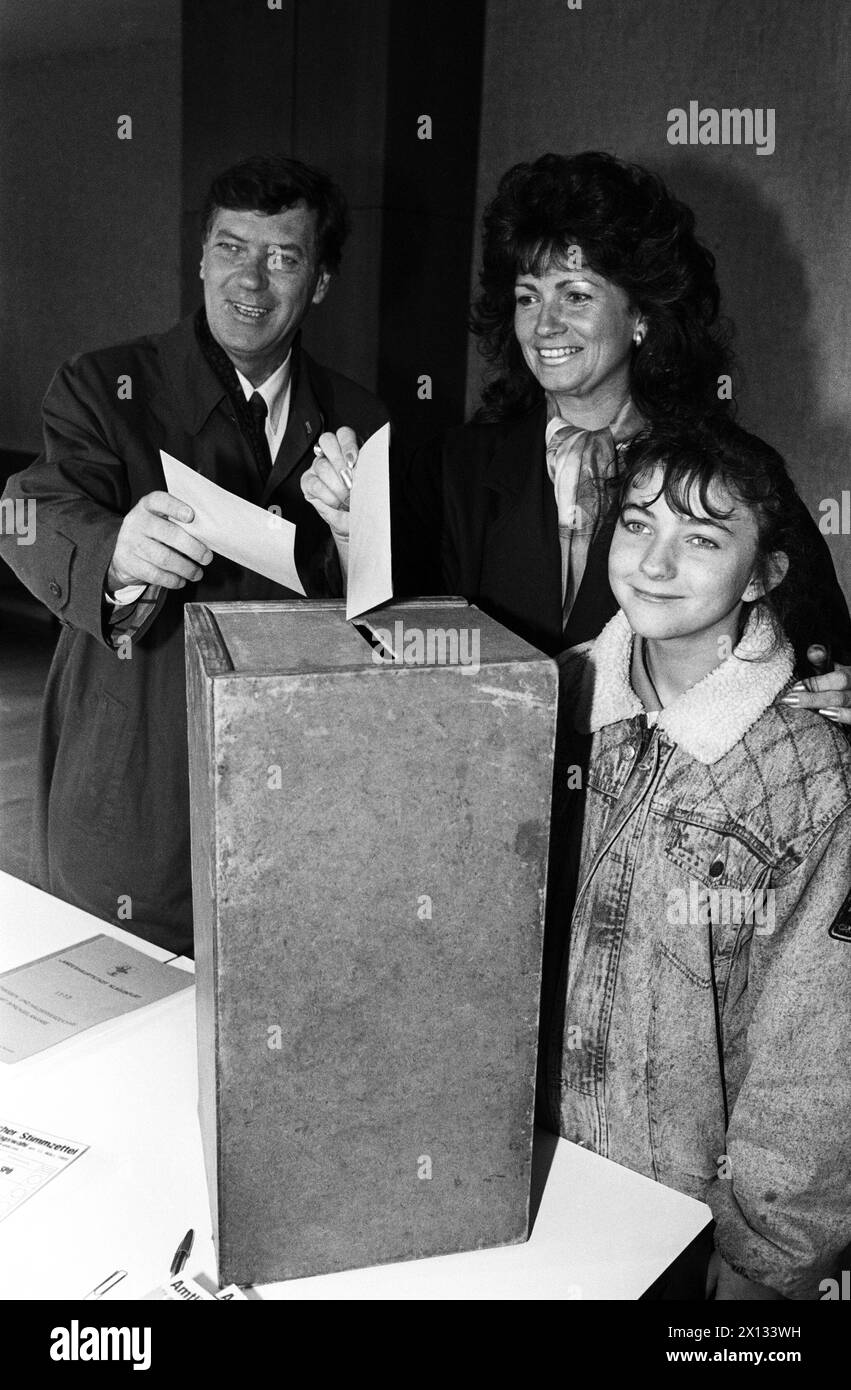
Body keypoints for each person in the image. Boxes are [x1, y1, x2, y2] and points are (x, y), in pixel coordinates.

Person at [303, 151, 851, 718]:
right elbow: (388, 641)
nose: (545, 324)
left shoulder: (730, 473)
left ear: (641, 315)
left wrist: (834, 686)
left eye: (577, 294)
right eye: (528, 296)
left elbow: (821, 653)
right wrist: (353, 532)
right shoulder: (455, 464)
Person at [0, 155, 387, 954]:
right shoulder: (104, 383)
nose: (251, 280)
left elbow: (381, 614)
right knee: (118, 995)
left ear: (318, 282)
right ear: (202, 258)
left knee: (275, 974)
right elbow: (26, 514)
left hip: (295, 765)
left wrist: (357, 539)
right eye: (231, 248)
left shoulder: (360, 416)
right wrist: (114, 548)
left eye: (283, 256)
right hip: (137, 759)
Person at [541, 415, 851, 1300]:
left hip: (680, 1214)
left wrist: (767, 1256)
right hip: (526, 1168)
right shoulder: (543, 701)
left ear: (764, 573)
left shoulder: (809, 773)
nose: (652, 562)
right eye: (637, 523)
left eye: (701, 538)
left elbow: (816, 1051)